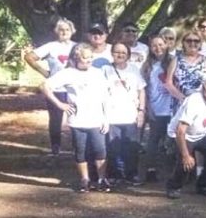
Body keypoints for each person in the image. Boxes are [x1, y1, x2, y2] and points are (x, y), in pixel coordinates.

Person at [41, 43, 111, 192]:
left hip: (96, 119)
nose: (89, 60)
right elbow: (44, 86)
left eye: (91, 57)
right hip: (77, 120)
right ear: (76, 57)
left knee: (100, 150)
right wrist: (60, 104)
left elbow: (104, 97)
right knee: (80, 151)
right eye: (85, 57)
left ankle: (101, 179)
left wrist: (106, 118)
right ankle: (84, 179)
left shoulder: (98, 72)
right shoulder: (67, 73)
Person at [166, 74, 206, 199]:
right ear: (205, 88)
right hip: (182, 135)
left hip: (201, 134)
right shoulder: (194, 101)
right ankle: (174, 186)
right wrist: (186, 156)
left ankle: (204, 185)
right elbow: (180, 130)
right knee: (187, 163)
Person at [24, 18, 77, 155]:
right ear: (56, 32)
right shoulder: (51, 46)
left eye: (67, 29)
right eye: (61, 30)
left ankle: (78, 147)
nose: (64, 32)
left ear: (72, 31)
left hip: (75, 89)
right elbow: (29, 57)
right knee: (55, 118)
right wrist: (44, 72)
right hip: (55, 89)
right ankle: (55, 147)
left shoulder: (77, 46)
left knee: (77, 118)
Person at [101, 43, 147, 185]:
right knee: (113, 147)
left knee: (131, 146)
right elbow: (100, 92)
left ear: (128, 55)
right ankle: (114, 174)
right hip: (111, 115)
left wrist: (141, 111)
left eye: (123, 52)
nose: (120, 55)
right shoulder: (105, 69)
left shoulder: (133, 69)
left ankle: (131, 174)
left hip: (130, 115)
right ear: (112, 53)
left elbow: (141, 90)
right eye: (117, 52)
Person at [140, 35, 174, 182]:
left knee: (174, 140)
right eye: (154, 45)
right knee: (154, 139)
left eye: (161, 44)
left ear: (166, 45)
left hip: (173, 108)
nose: (158, 48)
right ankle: (151, 169)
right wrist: (148, 108)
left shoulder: (174, 62)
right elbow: (144, 89)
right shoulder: (147, 65)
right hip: (157, 108)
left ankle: (175, 169)